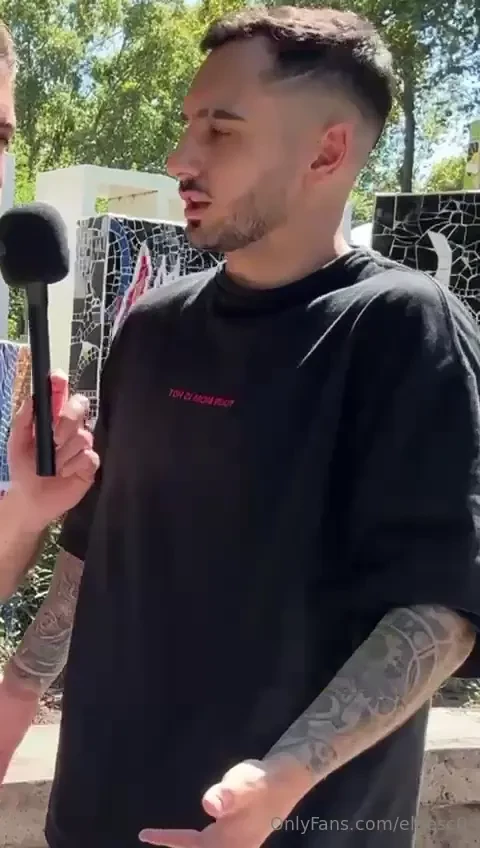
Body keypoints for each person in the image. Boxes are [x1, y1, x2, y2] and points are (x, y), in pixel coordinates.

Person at [1, 7, 480, 848]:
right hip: (94, 816)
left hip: (282, 829)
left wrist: (279, 780)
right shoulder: (152, 326)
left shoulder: (404, 327)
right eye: (189, 123)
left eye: (220, 130)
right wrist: (16, 693)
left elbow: (441, 606)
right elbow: (97, 546)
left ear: (327, 152)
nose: (180, 158)